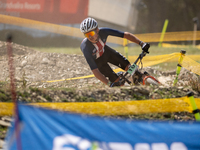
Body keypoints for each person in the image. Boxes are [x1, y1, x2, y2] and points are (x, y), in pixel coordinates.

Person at [80, 17, 150, 87]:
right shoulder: (85, 47)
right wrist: (109, 84)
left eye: (91, 33)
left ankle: (147, 81)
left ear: (97, 30)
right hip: (99, 63)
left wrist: (141, 43)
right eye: (86, 34)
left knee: (132, 69)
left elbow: (125, 35)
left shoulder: (104, 32)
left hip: (107, 53)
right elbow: (95, 71)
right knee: (118, 84)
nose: (89, 37)